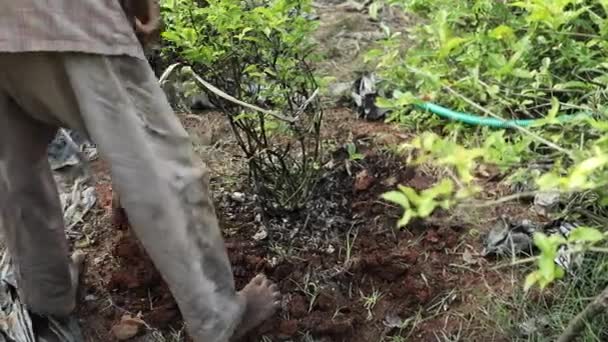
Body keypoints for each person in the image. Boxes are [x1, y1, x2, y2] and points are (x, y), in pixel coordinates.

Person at [0, 1, 281, 341]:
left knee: (15, 166)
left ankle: (48, 295)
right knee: (155, 158)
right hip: (64, 15)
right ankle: (216, 316)